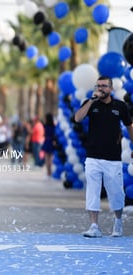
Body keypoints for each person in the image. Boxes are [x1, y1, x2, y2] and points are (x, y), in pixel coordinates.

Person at [74, 75, 133, 238]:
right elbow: (78, 118)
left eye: (104, 86)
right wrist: (92, 100)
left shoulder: (120, 106)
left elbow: (129, 125)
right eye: (98, 86)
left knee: (116, 193)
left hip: (113, 158)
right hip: (93, 156)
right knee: (92, 191)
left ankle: (118, 220)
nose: (100, 88)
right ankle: (94, 226)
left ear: (111, 89)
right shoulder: (90, 103)